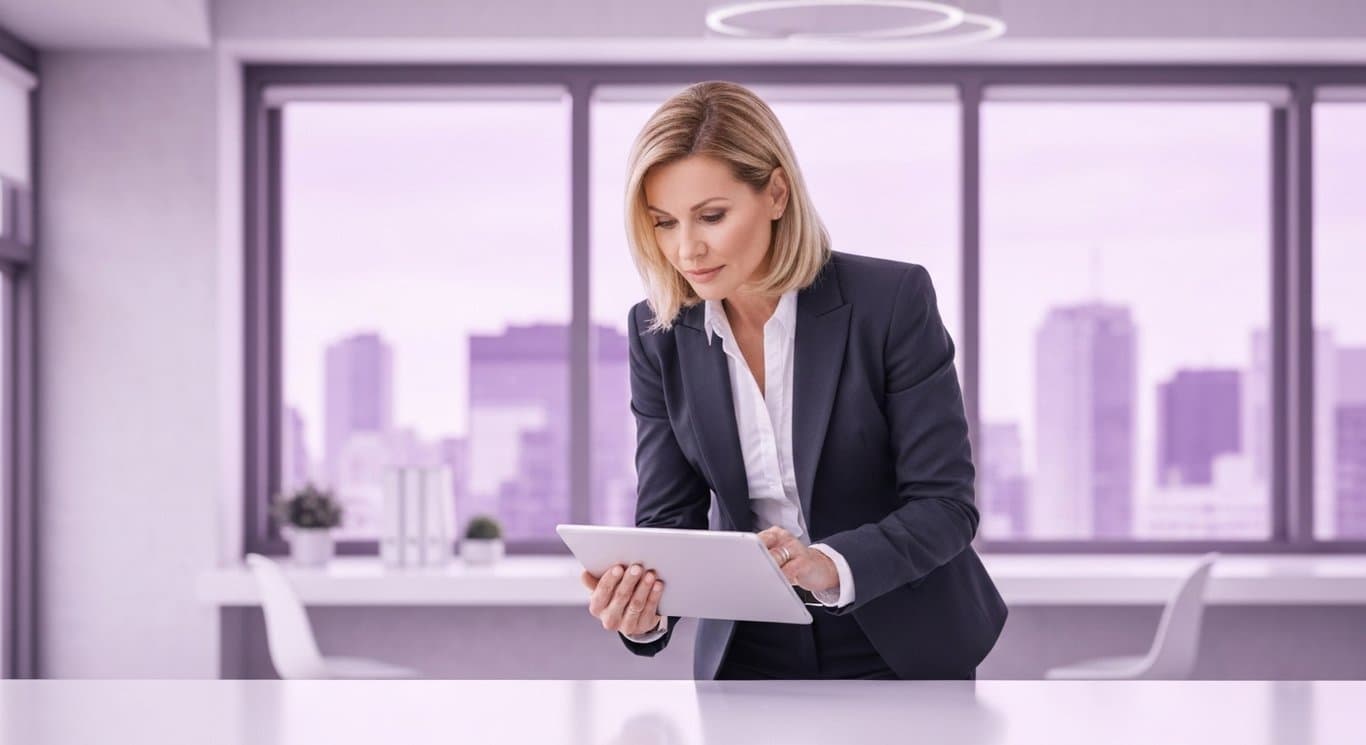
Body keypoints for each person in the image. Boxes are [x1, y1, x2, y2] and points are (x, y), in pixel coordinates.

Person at [578, 80, 1007, 680]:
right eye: (664, 223)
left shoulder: (890, 302)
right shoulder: (660, 333)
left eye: (711, 216)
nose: (687, 249)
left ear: (777, 194)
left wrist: (827, 564)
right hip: (748, 645)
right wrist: (643, 609)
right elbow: (670, 519)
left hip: (899, 636)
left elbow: (945, 504)